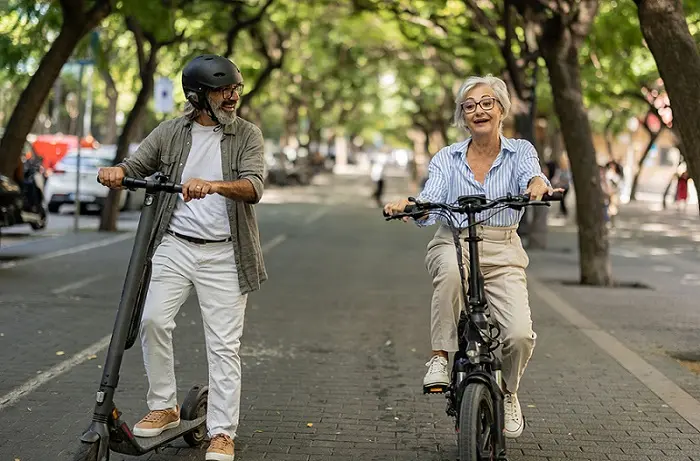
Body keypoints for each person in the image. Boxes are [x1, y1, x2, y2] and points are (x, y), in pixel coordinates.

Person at [97, 54, 266, 461]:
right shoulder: (172, 132)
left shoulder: (246, 134)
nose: (232, 96)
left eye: (235, 89)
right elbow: (137, 163)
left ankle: (222, 431)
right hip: (175, 244)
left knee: (224, 345)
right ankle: (165, 407)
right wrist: (118, 171)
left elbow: (253, 186)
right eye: (223, 90)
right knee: (152, 319)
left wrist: (214, 185)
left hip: (225, 252)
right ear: (198, 96)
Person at [383, 75, 560, 439]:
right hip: (454, 239)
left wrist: (537, 188)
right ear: (462, 116)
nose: (478, 111)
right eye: (469, 106)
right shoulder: (447, 158)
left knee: (520, 335)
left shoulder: (520, 150)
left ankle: (509, 393)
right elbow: (431, 197)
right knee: (448, 271)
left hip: (503, 247)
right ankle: (440, 356)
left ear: (501, 110)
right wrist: (411, 206)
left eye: (486, 103)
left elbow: (533, 177)